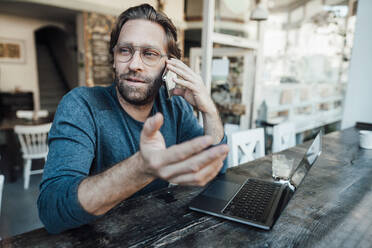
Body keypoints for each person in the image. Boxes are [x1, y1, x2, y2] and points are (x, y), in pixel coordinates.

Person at [37, 4, 228, 234]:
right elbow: (51, 210)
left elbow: (216, 169)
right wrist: (142, 168)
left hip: (155, 233)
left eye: (149, 54)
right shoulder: (81, 104)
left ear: (169, 67)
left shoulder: (174, 106)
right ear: (114, 59)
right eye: (125, 50)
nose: (134, 64)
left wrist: (207, 108)